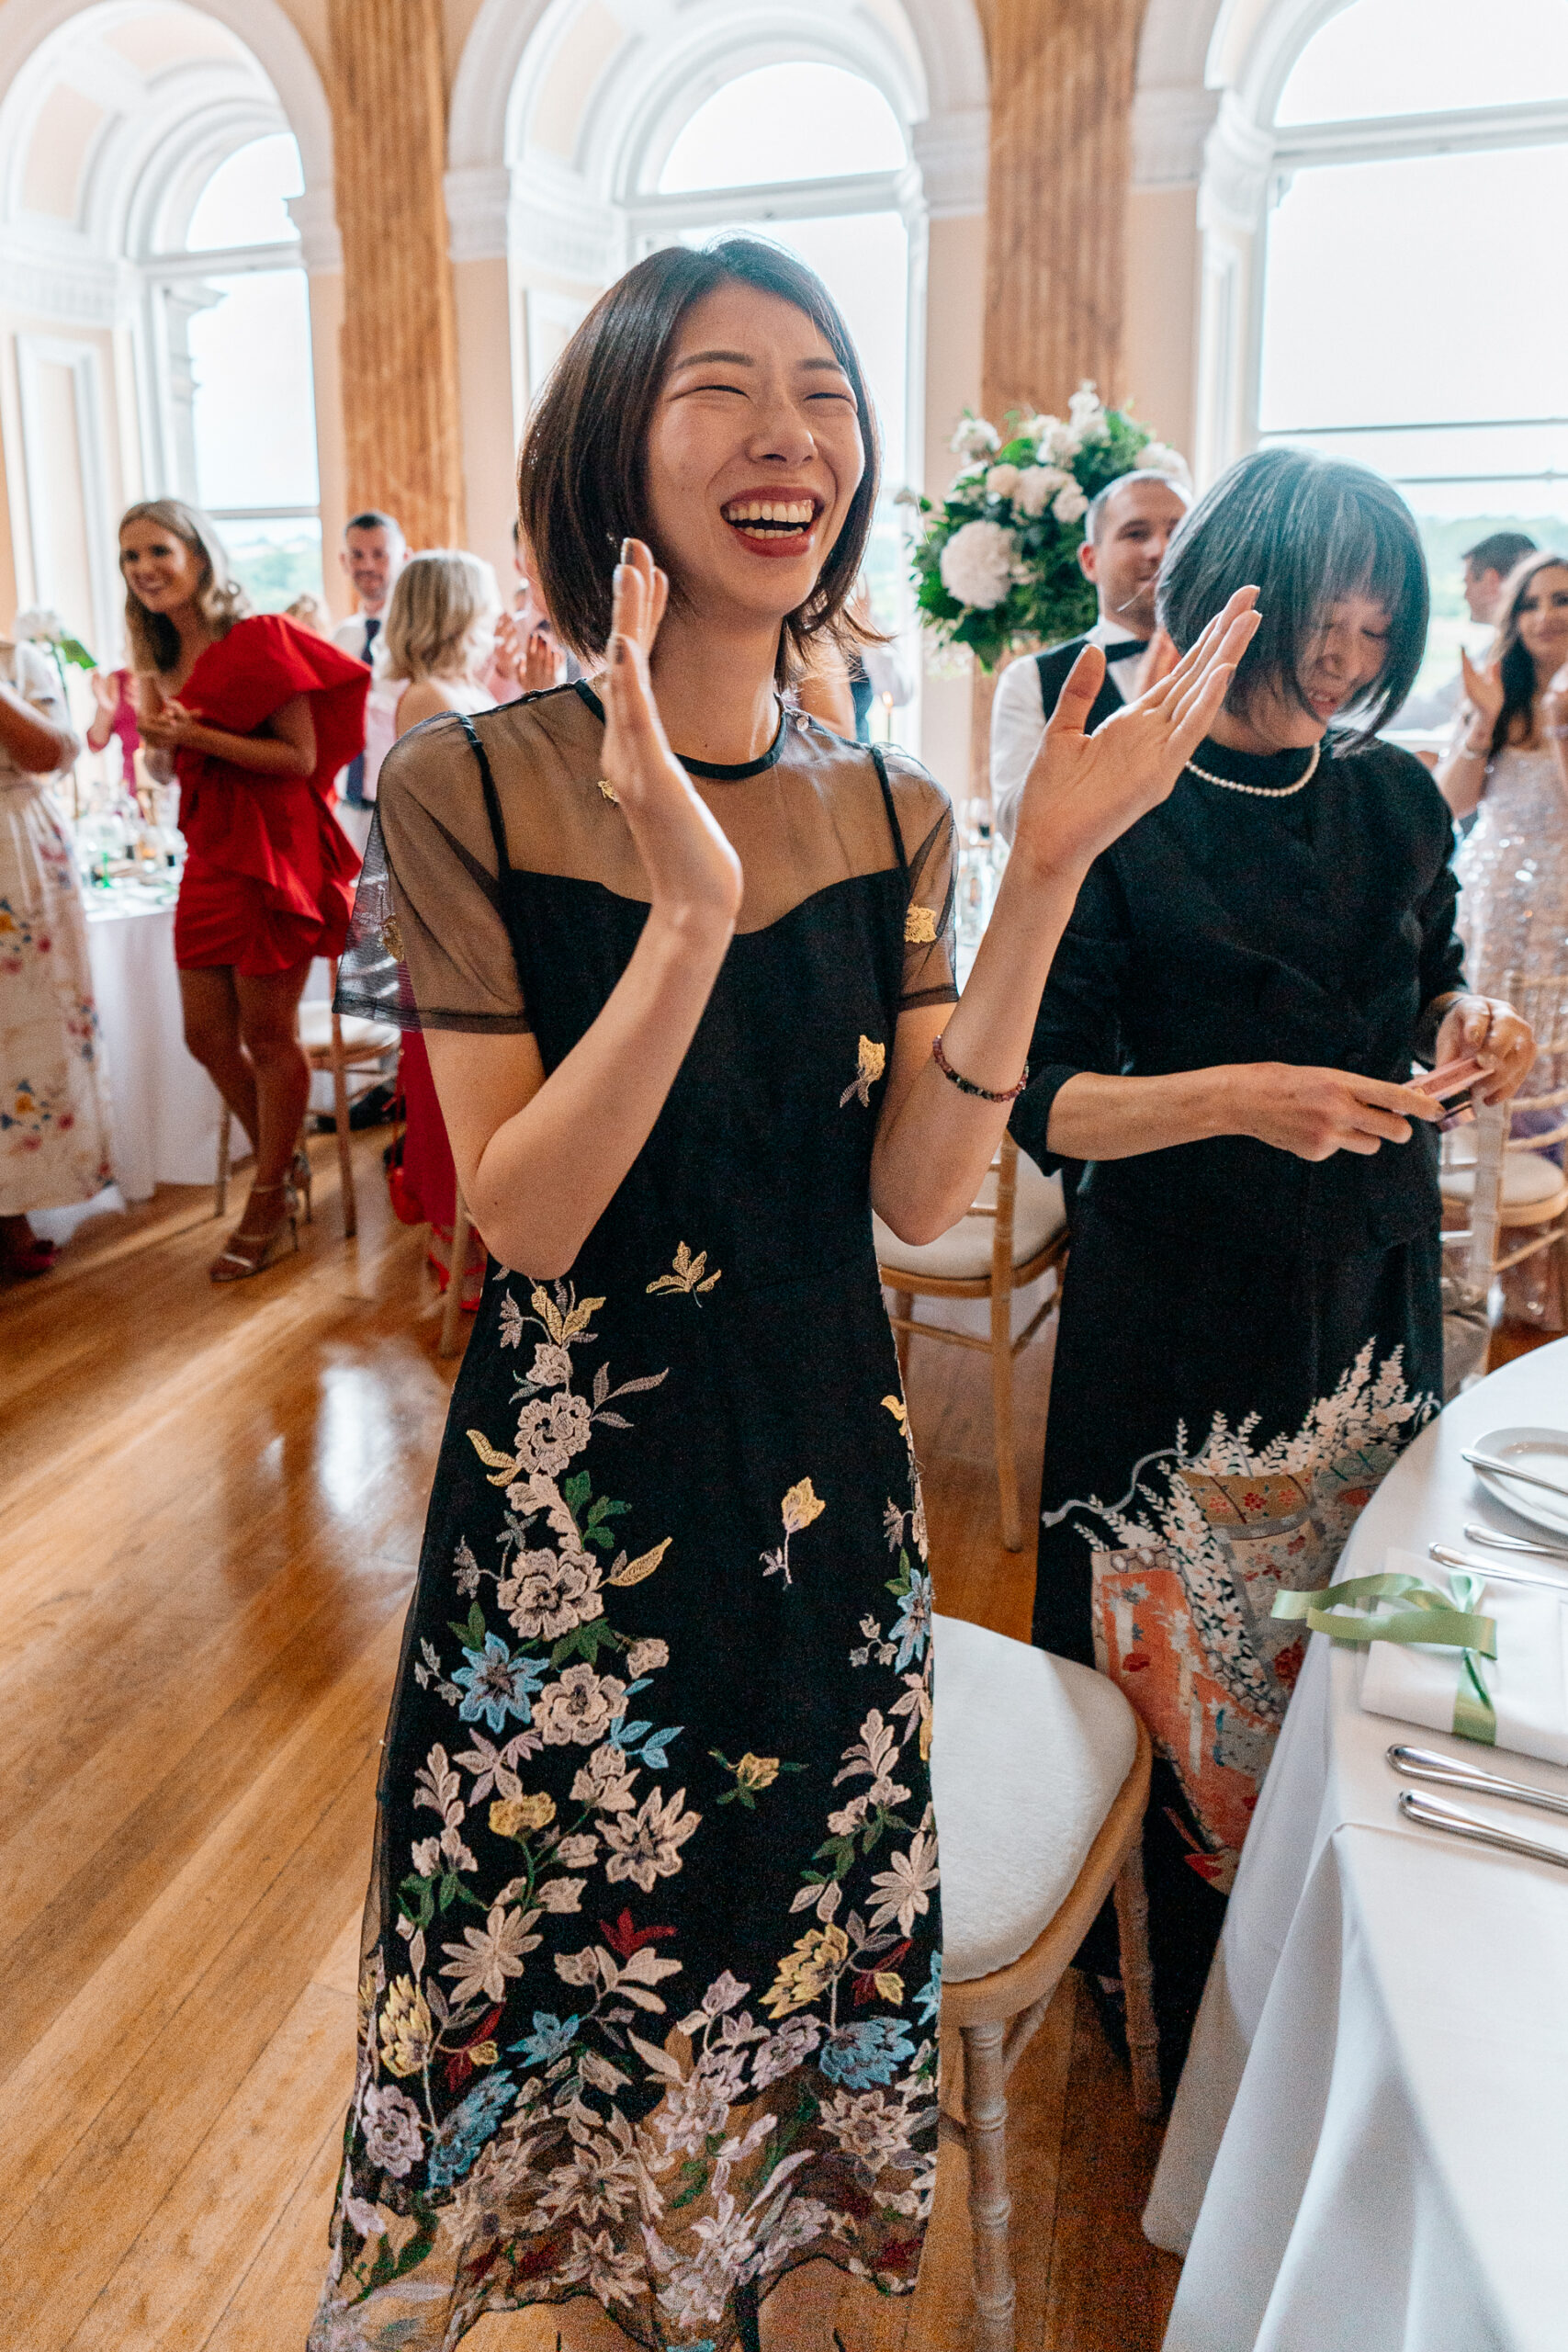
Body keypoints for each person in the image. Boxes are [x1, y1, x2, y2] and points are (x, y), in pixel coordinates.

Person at [311, 233, 1254, 2352]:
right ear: (611, 449)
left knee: (784, 1924)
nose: (783, 436)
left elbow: (919, 1190)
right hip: (570, 1510)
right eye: (717, 387)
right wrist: (685, 914)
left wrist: (1044, 882)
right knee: (584, 1963)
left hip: (823, 1474)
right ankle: (596, 2294)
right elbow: (530, 1225)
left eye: (822, 392)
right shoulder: (469, 780)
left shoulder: (896, 808)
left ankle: (760, 2277)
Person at [1008, 447, 1534, 2087]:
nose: (1350, 654)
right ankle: (1154, 1994)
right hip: (1177, 1308)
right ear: (1238, 592)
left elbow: (1425, 985)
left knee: (1339, 1647)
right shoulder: (1116, 800)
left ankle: (1313, 1961)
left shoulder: (1387, 798)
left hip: (1366, 1299)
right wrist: (1242, 1097)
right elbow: (1035, 1097)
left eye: (1380, 626)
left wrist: (1468, 1027)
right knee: (1178, 1676)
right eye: (1329, 613)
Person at [119, 500, 370, 1283]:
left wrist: (196, 737)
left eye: (157, 549)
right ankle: (282, 1163)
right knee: (204, 1036)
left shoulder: (255, 638)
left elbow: (297, 759)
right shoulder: (155, 657)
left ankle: (269, 1196)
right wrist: (158, 745)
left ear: (198, 553)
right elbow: (168, 771)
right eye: (130, 558)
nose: (144, 569)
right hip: (207, 854)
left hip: (273, 850)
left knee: (267, 1037)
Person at [1438, 550, 1568, 1326]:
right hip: (1490, 897)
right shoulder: (1498, 693)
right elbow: (1450, 805)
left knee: (1549, 1051)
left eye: (1561, 599)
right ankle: (1467, 1234)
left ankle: (1538, 1257)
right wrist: (1484, 721)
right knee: (1484, 1036)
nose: (1546, 614)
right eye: (1531, 603)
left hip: (1558, 903)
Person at [367, 548, 500, 1305]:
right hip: (447, 908)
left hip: (471, 902)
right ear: (456, 610)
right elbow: (446, 816)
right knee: (447, 1080)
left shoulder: (465, 687)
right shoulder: (426, 697)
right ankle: (463, 1248)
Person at [991, 468, 1191, 842]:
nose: (1160, 550)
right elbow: (1014, 828)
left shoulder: (1233, 669)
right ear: (1090, 561)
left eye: (1178, 532)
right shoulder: (1031, 679)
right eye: (1136, 534)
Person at [1, 634, 113, 1277]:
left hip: (12, 851)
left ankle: (16, 1210)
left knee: (22, 1033)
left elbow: (49, 752)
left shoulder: (19, 659)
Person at [1395, 528, 1539, 730]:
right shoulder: (1497, 650)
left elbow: (1433, 708)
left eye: (1467, 582)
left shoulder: (1503, 657)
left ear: (1491, 581)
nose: (1465, 595)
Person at [334, 511, 407, 820]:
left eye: (380, 555)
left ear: (404, 558)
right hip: (348, 807)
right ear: (343, 561)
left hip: (400, 807)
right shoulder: (340, 637)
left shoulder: (418, 638)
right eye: (357, 555)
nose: (367, 565)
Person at [484, 515, 574, 699]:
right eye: (534, 554)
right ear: (519, 564)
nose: (548, 563)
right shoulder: (501, 643)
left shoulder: (599, 631)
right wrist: (503, 674)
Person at [85, 664, 141, 785]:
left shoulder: (170, 675)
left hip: (170, 780)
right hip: (134, 783)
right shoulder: (117, 679)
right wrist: (104, 706)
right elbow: (96, 743)